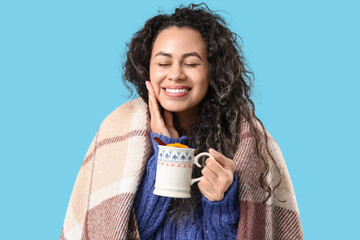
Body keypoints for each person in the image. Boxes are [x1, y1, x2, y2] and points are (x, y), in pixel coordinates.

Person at [61, 3, 303, 240]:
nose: (175, 74)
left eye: (191, 63)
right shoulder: (117, 132)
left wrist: (221, 206)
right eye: (163, 63)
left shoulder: (252, 143)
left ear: (213, 70)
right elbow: (117, 231)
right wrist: (164, 153)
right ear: (148, 71)